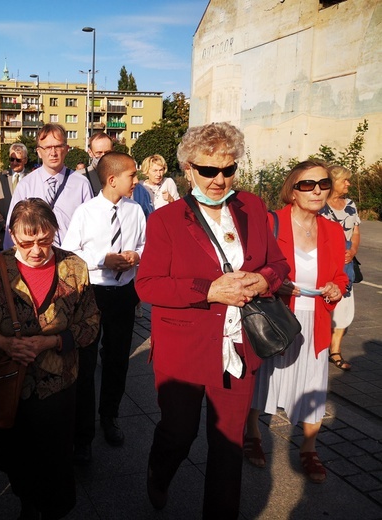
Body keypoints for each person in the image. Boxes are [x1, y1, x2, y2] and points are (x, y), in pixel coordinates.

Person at [135, 122, 290, 518]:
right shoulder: (166, 220)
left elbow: (278, 264)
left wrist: (264, 279)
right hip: (184, 350)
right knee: (178, 432)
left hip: (239, 345)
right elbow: (148, 285)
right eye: (208, 170)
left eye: (228, 169)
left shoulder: (252, 207)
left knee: (228, 445)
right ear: (187, 169)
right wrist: (208, 289)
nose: (220, 179)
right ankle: (160, 469)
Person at [0, 198, 100, 520]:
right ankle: (26, 502)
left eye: (44, 240)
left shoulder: (74, 267)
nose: (37, 251)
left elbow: (92, 324)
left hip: (58, 384)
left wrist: (52, 341)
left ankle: (54, 509)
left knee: (56, 457)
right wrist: (5, 343)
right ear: (11, 235)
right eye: (26, 243)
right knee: (15, 456)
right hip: (9, 382)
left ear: (55, 231)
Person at [245, 160, 348, 484]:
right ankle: (252, 434)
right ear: (292, 189)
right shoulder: (272, 222)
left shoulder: (333, 230)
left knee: (313, 385)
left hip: (316, 318)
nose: (316, 190)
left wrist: (336, 288)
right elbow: (253, 265)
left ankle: (309, 448)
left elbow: (341, 276)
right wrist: (274, 281)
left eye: (323, 183)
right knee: (265, 380)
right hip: (279, 316)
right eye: (307, 184)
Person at [62, 152, 146, 463]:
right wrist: (102, 259)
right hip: (93, 294)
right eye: (132, 176)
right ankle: (82, 434)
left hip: (123, 294)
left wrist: (136, 255)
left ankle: (109, 416)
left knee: (117, 360)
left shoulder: (136, 210)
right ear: (112, 179)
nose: (136, 181)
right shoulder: (86, 212)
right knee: (85, 363)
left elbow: (144, 244)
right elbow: (70, 252)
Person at [3, 124, 93, 249]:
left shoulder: (81, 184)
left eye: (58, 146)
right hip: (35, 257)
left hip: (71, 258)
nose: (53, 153)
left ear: (66, 149)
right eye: (47, 147)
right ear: (39, 152)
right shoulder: (25, 185)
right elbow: (12, 227)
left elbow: (90, 227)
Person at [319, 164, 361, 371]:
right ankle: (318, 349)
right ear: (333, 182)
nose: (348, 184)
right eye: (344, 180)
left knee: (344, 308)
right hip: (324, 264)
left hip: (345, 265)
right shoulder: (319, 204)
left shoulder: (350, 204)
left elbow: (355, 232)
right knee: (323, 307)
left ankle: (335, 350)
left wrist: (352, 250)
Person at [0, 142, 29, 244]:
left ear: (25, 160)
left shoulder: (32, 178)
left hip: (27, 234)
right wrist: (2, 223)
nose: (14, 163)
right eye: (12, 159)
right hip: (3, 234)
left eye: (18, 160)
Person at [76, 132, 115, 196]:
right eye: (99, 153)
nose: (103, 156)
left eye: (107, 152)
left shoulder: (121, 175)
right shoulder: (80, 176)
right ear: (90, 153)